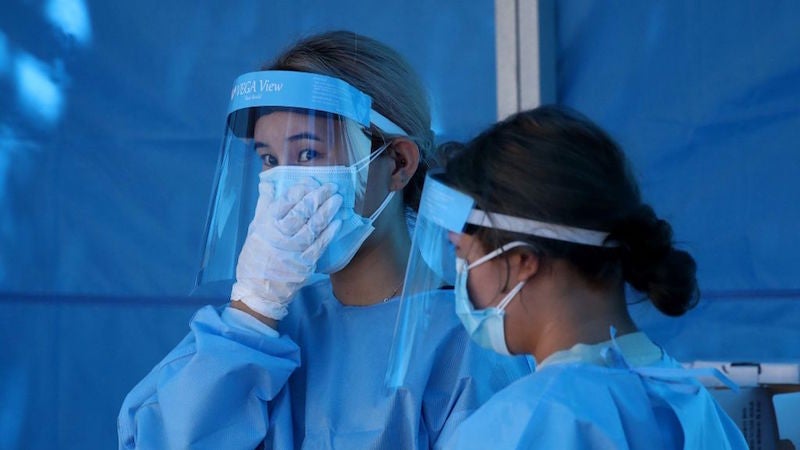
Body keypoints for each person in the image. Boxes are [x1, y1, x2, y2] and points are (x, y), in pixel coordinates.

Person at [117, 30, 531, 449]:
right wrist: (252, 311)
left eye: (309, 153)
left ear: (398, 164)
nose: (283, 182)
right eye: (269, 159)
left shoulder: (465, 343)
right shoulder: (260, 327)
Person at [402, 105, 748, 448]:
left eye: (463, 255)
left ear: (523, 260)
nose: (463, 279)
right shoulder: (693, 403)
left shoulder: (516, 428)